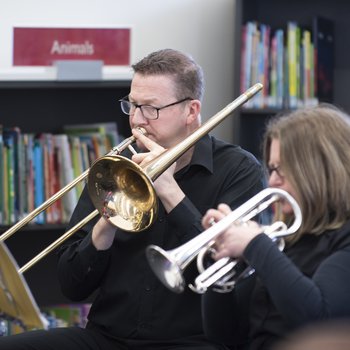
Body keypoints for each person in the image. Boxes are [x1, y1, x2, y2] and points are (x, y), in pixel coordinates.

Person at [0, 49, 267, 349]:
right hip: (106, 337)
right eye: (133, 105)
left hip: (191, 341)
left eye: (151, 108)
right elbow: (72, 287)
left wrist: (169, 190)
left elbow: (226, 275)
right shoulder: (115, 166)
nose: (137, 121)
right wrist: (106, 222)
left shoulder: (239, 170)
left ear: (191, 111)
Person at [200, 104, 350, 350]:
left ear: (319, 169)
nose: (272, 181)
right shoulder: (284, 237)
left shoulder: (343, 237)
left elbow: (319, 320)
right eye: (271, 169)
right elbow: (224, 335)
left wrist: (254, 245)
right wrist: (221, 269)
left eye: (281, 169)